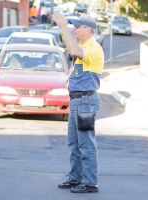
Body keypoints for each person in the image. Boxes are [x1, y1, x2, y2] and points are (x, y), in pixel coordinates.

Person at [52, 13, 104, 193]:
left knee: (86, 144)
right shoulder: (82, 45)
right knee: (73, 143)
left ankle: (90, 183)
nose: (75, 28)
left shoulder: (93, 48)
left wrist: (63, 27)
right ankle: (75, 178)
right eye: (74, 26)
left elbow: (74, 52)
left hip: (86, 102)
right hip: (77, 101)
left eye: (78, 26)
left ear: (89, 30)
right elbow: (72, 48)